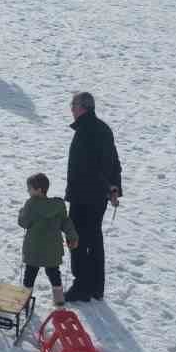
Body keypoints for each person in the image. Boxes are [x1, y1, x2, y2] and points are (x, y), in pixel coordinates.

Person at [64, 92, 121, 303]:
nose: (71, 108)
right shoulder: (103, 129)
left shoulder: (86, 131)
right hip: (98, 196)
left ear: (83, 107)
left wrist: (105, 186)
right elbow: (114, 162)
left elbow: (93, 167)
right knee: (95, 239)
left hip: (84, 196)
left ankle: (82, 286)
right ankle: (96, 286)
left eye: (74, 104)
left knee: (77, 239)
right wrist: (113, 189)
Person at [18, 172, 78, 305]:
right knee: (54, 273)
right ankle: (59, 300)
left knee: (30, 274)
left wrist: (21, 212)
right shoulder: (58, 205)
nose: (28, 191)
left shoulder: (31, 204)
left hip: (34, 249)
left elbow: (23, 222)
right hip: (52, 249)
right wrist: (72, 236)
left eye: (30, 188)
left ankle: (25, 301)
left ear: (38, 190)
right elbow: (65, 222)